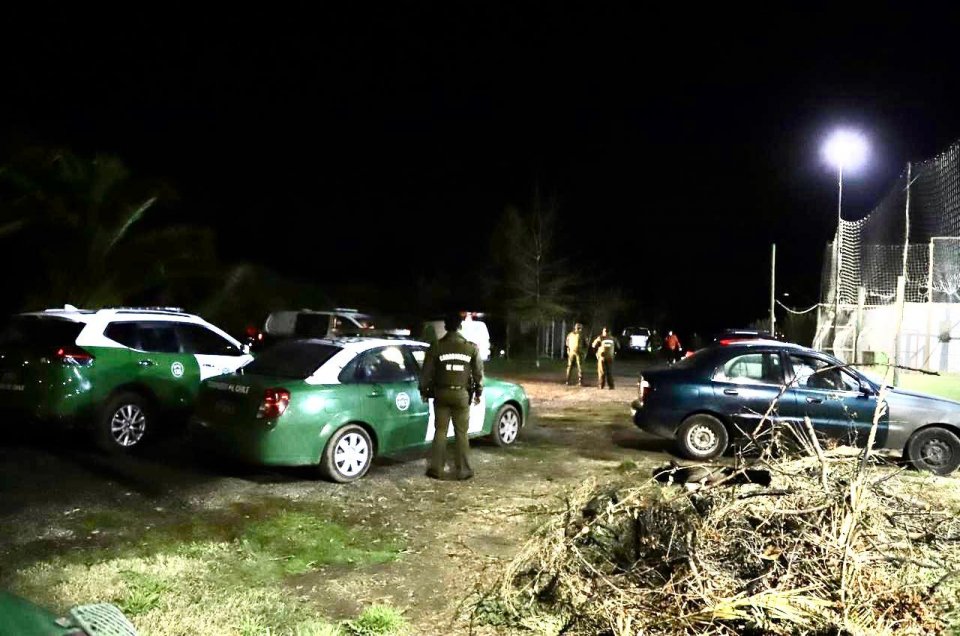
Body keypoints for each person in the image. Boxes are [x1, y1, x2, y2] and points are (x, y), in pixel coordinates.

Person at [419, 313, 483, 480]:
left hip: (441, 394)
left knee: (440, 431)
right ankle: (463, 470)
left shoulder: (437, 346)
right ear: (460, 326)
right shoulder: (471, 348)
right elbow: (478, 374)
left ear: (446, 327)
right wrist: (478, 393)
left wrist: (424, 391)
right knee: (461, 433)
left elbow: (426, 372)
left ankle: (436, 469)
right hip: (461, 394)